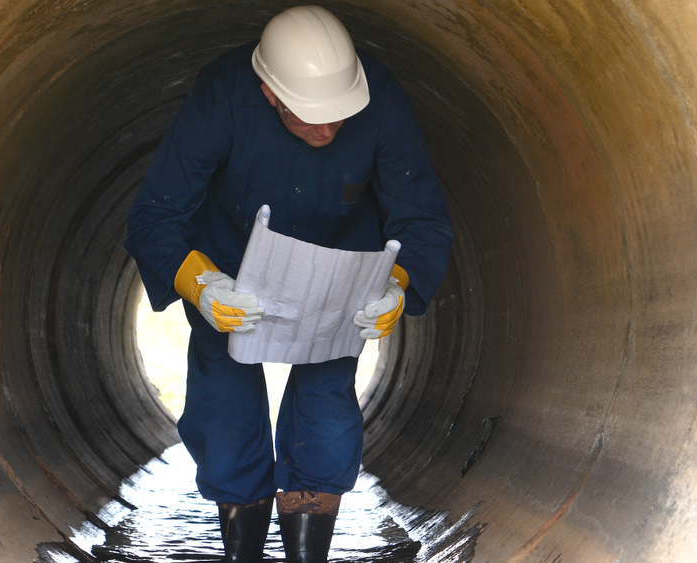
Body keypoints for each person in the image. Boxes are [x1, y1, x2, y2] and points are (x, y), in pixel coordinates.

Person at [123, 5, 453, 561]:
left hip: (340, 272)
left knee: (326, 408)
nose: (326, 129)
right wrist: (201, 285)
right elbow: (155, 215)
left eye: (338, 116)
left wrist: (396, 284)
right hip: (231, 266)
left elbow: (420, 215)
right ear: (270, 94)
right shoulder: (223, 95)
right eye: (308, 114)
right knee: (223, 403)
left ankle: (308, 549)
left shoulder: (381, 98)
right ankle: (242, 547)